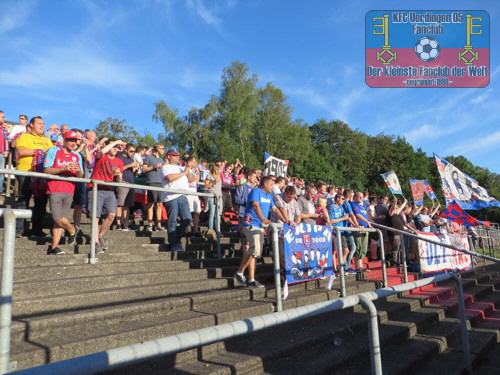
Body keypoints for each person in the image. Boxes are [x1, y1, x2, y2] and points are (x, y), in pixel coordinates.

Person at [234, 176, 287, 288]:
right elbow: (255, 205)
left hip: (259, 226)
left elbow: (275, 209)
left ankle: (251, 278)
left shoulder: (269, 195)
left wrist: (285, 220)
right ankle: (239, 272)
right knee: (255, 249)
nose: (273, 187)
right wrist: (263, 218)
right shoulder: (256, 191)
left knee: (255, 252)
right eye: (271, 184)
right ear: (265, 184)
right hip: (250, 224)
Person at [43, 130, 84, 255]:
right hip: (55, 188)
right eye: (71, 140)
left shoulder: (77, 156)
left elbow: (81, 176)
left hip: (70, 190)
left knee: (59, 221)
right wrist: (63, 168)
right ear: (64, 140)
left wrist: (77, 171)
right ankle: (72, 230)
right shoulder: (53, 151)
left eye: (75, 140)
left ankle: (54, 247)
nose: (73, 143)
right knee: (57, 217)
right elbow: (46, 170)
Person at [15, 116, 53, 237]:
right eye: (39, 123)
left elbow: (52, 156)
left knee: (41, 203)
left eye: (43, 123)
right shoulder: (23, 137)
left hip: (42, 175)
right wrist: (40, 151)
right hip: (26, 172)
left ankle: (37, 230)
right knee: (23, 200)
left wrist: (43, 152)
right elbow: (21, 151)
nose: (42, 125)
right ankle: (18, 230)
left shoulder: (47, 140)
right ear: (31, 125)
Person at [88, 139, 125, 253]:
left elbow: (119, 181)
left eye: (117, 147)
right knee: (96, 216)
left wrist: (117, 175)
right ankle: (95, 243)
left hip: (109, 189)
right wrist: (115, 142)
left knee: (111, 214)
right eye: (114, 146)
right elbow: (101, 152)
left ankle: (99, 235)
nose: (115, 149)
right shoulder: (102, 156)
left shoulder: (119, 161)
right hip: (95, 187)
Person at [161, 149, 193, 252]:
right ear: (169, 156)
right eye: (174, 155)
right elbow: (170, 178)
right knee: (172, 220)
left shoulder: (181, 167)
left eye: (178, 155)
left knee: (188, 219)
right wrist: (184, 172)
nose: (177, 157)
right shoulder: (165, 167)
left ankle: (175, 239)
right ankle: (174, 243)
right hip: (171, 196)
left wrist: (188, 170)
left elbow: (191, 180)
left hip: (183, 195)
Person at [142, 144, 165, 231]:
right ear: (157, 149)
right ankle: (150, 224)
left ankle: (158, 225)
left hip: (160, 183)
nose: (163, 150)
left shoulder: (161, 160)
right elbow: (143, 169)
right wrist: (153, 167)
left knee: (159, 204)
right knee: (151, 203)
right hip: (151, 182)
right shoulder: (149, 157)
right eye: (162, 148)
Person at [116, 143, 138, 231]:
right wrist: (130, 165)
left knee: (128, 205)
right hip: (123, 181)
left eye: (134, 151)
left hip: (131, 182)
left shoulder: (131, 159)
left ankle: (125, 225)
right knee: (120, 204)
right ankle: (118, 224)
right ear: (126, 150)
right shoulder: (120, 158)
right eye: (131, 151)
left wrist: (136, 169)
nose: (132, 153)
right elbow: (118, 169)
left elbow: (133, 173)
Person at [351, 192, 372, 272]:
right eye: (358, 196)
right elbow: (357, 215)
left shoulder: (362, 206)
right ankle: (358, 266)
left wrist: (368, 224)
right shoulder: (354, 204)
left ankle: (361, 265)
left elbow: (364, 215)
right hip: (359, 228)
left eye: (362, 197)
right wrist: (367, 222)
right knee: (359, 246)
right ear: (355, 197)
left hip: (365, 228)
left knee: (364, 247)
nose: (360, 198)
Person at [204, 163, 223, 238]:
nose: (220, 170)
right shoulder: (209, 176)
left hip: (219, 196)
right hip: (212, 196)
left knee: (218, 214)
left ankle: (218, 230)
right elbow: (206, 185)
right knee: (212, 213)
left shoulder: (219, 176)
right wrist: (214, 182)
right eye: (218, 169)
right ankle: (210, 229)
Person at [388, 196, 408, 266]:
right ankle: (394, 262)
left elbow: (400, 208)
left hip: (400, 233)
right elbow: (393, 207)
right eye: (395, 208)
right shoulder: (391, 214)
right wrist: (395, 201)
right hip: (395, 233)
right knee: (395, 248)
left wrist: (405, 202)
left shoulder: (397, 214)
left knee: (399, 248)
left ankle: (398, 261)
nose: (396, 208)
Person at [185, 156, 201, 236]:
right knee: (188, 211)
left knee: (196, 212)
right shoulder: (185, 169)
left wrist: (197, 173)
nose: (195, 164)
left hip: (194, 192)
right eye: (194, 162)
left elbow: (197, 182)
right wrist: (194, 176)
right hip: (188, 192)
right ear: (189, 162)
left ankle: (195, 229)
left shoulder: (194, 171)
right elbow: (189, 180)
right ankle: (187, 229)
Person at [0, 110, 9, 195]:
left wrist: (6, 150)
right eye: (2, 117)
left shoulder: (3, 130)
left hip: (1, 153)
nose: (4, 118)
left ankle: (0, 189)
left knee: (1, 172)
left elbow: (6, 140)